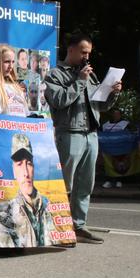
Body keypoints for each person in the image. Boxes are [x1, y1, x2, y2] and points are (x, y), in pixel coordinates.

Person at [44, 33, 121, 244]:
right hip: (69, 133)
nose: (87, 57)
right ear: (71, 50)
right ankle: (56, 227)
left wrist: (113, 93)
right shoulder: (56, 74)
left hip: (91, 134)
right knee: (64, 185)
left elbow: (100, 105)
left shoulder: (90, 75)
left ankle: (78, 225)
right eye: (83, 52)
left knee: (85, 184)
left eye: (89, 53)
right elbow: (59, 101)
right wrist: (79, 82)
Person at [0, 133, 52, 248]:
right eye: (19, 164)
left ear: (34, 168)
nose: (26, 173)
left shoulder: (49, 207)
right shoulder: (0, 214)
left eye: (29, 164)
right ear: (13, 172)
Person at [101, 108, 130, 188]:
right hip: (108, 148)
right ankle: (108, 180)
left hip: (120, 148)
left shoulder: (125, 124)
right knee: (108, 164)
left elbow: (129, 134)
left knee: (119, 164)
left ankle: (119, 180)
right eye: (114, 114)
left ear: (120, 115)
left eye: (117, 114)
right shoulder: (106, 125)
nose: (116, 115)